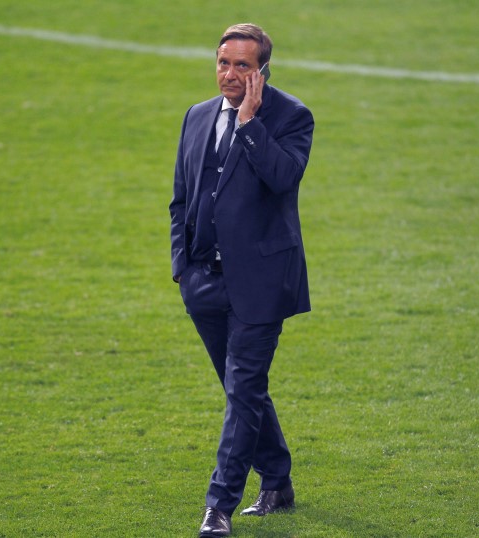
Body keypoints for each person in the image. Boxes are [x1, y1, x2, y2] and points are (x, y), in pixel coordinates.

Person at [169, 23, 315, 538]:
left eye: (243, 66)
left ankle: (219, 506)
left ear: (263, 72)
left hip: (260, 284)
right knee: (243, 393)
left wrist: (250, 122)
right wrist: (182, 270)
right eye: (223, 63)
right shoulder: (197, 115)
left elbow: (283, 177)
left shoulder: (292, 116)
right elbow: (181, 198)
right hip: (203, 283)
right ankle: (277, 480)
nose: (230, 75)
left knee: (244, 390)